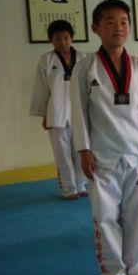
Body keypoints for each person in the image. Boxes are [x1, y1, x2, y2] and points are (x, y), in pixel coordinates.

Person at [71, 0, 138, 275]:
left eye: (124, 22)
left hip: (135, 153)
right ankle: (114, 273)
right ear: (96, 28)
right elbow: (78, 112)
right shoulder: (86, 68)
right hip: (101, 156)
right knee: (106, 217)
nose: (118, 27)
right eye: (110, 22)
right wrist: (83, 149)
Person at [30, 19, 87, 199]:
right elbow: (41, 89)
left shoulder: (84, 59)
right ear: (50, 40)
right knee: (62, 153)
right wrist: (44, 114)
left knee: (81, 149)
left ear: (72, 38)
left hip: (79, 112)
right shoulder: (46, 60)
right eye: (57, 39)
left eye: (66, 38)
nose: (62, 42)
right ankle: (68, 188)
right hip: (56, 112)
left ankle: (80, 184)